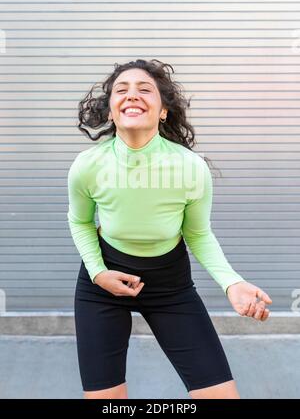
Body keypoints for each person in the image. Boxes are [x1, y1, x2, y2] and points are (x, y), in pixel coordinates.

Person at [67, 59, 272, 400]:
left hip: (170, 284)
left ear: (163, 111)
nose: (132, 95)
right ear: (110, 112)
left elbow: (198, 234)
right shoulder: (87, 166)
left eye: (145, 89)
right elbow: (80, 221)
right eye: (122, 90)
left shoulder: (191, 168)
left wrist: (231, 282)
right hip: (101, 281)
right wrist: (98, 272)